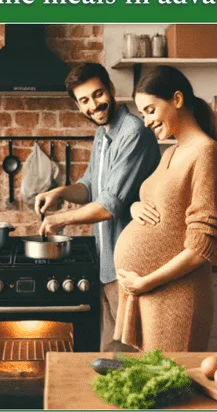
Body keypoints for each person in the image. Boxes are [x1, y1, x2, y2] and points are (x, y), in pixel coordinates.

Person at [35, 62, 160, 352]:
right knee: (110, 353)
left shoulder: (133, 133)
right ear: (78, 106)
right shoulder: (103, 134)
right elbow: (90, 187)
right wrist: (59, 192)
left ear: (111, 89)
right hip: (106, 264)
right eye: (84, 100)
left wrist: (59, 220)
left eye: (98, 94)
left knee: (131, 355)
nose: (94, 105)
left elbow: (108, 206)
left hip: (131, 267)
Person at [112, 65, 217, 352]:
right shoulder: (171, 152)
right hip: (149, 293)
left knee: (171, 378)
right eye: (142, 114)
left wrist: (146, 282)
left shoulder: (207, 153)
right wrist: (135, 207)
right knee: (153, 377)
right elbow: (160, 203)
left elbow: (201, 247)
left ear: (177, 99)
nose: (146, 122)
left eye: (150, 110)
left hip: (176, 297)